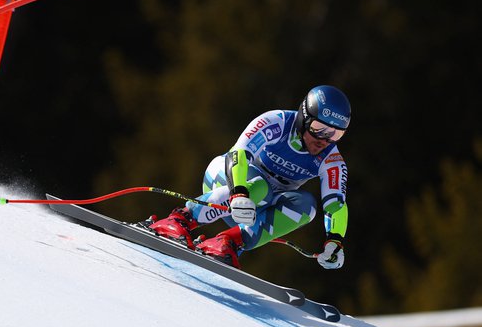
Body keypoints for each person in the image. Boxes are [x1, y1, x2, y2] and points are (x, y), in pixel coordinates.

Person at [147, 85, 350, 270]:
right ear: (304, 117)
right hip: (226, 180)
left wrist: (335, 242)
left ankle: (228, 242)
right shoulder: (277, 122)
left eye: (336, 134)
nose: (325, 140)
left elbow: (336, 206)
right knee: (261, 187)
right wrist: (239, 192)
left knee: (307, 206)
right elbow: (238, 155)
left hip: (255, 208)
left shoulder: (332, 160)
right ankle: (180, 219)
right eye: (319, 129)